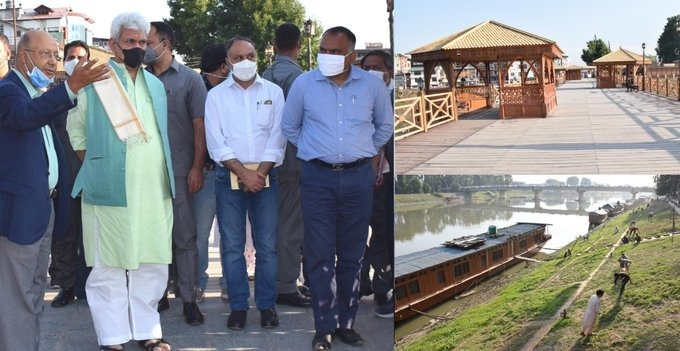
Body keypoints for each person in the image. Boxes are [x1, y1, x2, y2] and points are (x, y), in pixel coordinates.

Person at [66, 12, 174, 351]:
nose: (138, 48)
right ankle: (112, 338)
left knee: (152, 262)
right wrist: (100, 166)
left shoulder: (155, 84)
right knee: (108, 264)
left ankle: (148, 332)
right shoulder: (96, 81)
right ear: (113, 45)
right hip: (110, 189)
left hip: (153, 191)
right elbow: (76, 132)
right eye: (131, 42)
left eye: (143, 42)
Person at [281, 26, 393, 350]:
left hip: (358, 179)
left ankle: (347, 322)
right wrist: (315, 150)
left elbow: (385, 125)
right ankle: (324, 327)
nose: (327, 56)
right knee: (318, 255)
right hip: (317, 178)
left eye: (334, 51)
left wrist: (363, 151)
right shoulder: (304, 84)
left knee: (352, 255)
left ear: (351, 55)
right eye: (323, 50)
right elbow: (290, 126)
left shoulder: (372, 86)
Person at [0, 29, 109, 351]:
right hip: (20, 213)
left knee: (34, 294)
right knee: (16, 299)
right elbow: (24, 118)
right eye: (45, 54)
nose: (52, 62)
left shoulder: (39, 91)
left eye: (55, 54)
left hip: (42, 208)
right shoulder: (9, 91)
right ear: (24, 57)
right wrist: (71, 87)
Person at [205, 35, 286, 331]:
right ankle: (238, 307)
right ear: (228, 63)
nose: (245, 62)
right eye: (238, 58)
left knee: (267, 247)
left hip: (266, 177)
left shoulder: (274, 92)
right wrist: (243, 172)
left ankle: (267, 306)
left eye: (250, 55)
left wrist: (260, 173)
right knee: (232, 246)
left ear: (258, 56)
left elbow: (279, 137)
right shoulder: (216, 97)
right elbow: (216, 142)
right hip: (229, 179)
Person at [145, 20, 206, 326]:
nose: (143, 48)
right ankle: (158, 295)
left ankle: (189, 300)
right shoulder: (139, 79)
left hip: (181, 172)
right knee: (153, 238)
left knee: (184, 238)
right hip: (146, 174)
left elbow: (199, 127)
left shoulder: (190, 80)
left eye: (148, 41)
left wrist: (196, 167)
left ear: (165, 44)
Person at [262, 22, 311, 308]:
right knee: (292, 228)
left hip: (266, 161)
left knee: (271, 226)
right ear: (298, 45)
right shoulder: (300, 77)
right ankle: (286, 285)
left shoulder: (265, 74)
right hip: (292, 160)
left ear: (275, 43)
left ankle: (275, 281)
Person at [49, 40, 92, 308]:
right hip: (64, 178)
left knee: (90, 236)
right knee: (64, 233)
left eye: (81, 56)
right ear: (64, 61)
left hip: (90, 176)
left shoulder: (100, 93)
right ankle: (65, 285)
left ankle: (88, 286)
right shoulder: (54, 95)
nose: (76, 60)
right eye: (71, 56)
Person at [359, 49, 395, 319]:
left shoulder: (397, 99)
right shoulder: (358, 97)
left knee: (383, 233)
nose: (370, 72)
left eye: (376, 67)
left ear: (389, 72)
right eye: (366, 67)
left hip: (387, 178)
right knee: (358, 231)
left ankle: (383, 287)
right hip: (360, 178)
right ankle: (364, 283)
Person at [195, 42, 229, 302]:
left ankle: (230, 282)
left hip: (229, 171)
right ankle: (199, 282)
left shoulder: (233, 90)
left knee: (230, 232)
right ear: (223, 66)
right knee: (200, 234)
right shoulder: (198, 89)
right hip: (206, 172)